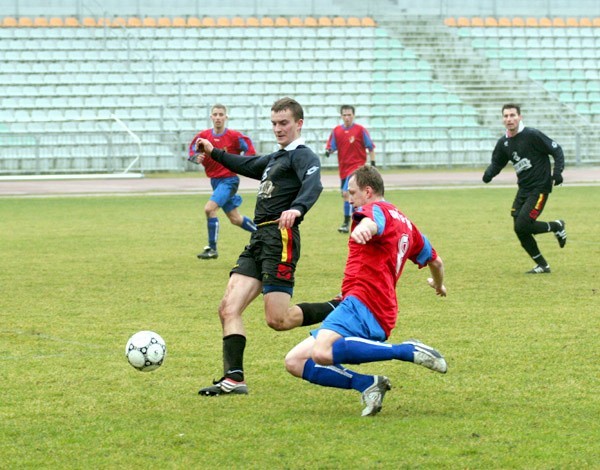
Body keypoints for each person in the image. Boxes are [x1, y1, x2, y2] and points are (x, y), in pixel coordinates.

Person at [284, 165, 448, 417]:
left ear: (368, 191)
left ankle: (406, 350)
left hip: (363, 300)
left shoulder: (373, 211)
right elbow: (436, 262)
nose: (349, 199)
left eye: (352, 192)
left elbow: (374, 222)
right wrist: (438, 285)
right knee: (295, 361)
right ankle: (367, 384)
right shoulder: (408, 225)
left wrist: (365, 227)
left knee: (321, 352)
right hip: (378, 305)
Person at [193, 97, 324, 396]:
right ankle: (233, 378)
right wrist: (214, 152)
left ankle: (338, 307)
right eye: (274, 124)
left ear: (298, 124)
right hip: (258, 239)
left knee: (277, 320)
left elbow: (314, 183)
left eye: (284, 123)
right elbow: (246, 163)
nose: (278, 129)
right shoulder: (276, 158)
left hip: (281, 238)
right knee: (228, 308)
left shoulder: (302, 156)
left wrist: (298, 209)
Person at [483, 103, 567, 274]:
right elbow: (497, 162)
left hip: (540, 187)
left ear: (520, 117)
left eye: (512, 115)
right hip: (523, 189)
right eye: (506, 116)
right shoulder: (504, 142)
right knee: (519, 228)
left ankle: (557, 226)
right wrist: (489, 174)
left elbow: (557, 151)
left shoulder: (532, 135)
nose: (509, 119)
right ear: (502, 119)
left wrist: (557, 173)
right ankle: (543, 265)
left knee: (523, 223)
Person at [188, 104, 257, 260]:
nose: (218, 117)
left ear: (226, 117)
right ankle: (263, 235)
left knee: (209, 209)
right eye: (215, 114)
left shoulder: (233, 136)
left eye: (221, 114)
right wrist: (194, 157)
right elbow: (192, 149)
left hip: (229, 180)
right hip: (215, 181)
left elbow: (249, 148)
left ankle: (212, 249)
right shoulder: (204, 136)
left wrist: (243, 162)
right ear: (211, 117)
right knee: (235, 219)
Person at [325, 105, 376, 234]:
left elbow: (370, 147)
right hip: (343, 168)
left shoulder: (360, 130)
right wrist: (328, 151)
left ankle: (346, 223)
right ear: (341, 116)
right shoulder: (336, 131)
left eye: (349, 115)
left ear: (354, 115)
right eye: (344, 115)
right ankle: (359, 221)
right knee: (351, 197)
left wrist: (373, 163)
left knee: (346, 193)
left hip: (357, 167)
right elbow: (332, 146)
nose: (347, 117)